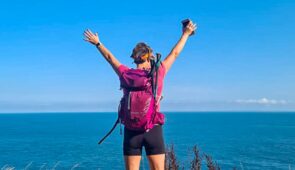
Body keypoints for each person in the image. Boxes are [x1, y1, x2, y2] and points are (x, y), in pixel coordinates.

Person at [83, 20, 197, 170]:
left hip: (131, 132)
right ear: (149, 57)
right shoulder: (158, 73)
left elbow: (110, 58)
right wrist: (186, 34)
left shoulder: (125, 73)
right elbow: (175, 53)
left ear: (134, 58)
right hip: (153, 130)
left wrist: (98, 43)